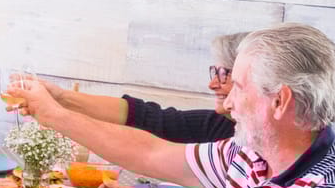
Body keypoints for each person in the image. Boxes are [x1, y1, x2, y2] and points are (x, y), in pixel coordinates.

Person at [10, 23, 335, 188]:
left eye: (237, 86)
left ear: (279, 101)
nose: (227, 103)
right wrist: (54, 114)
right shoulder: (248, 155)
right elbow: (149, 152)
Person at [36, 32, 247, 144]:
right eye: (214, 72)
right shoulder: (220, 124)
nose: (212, 84)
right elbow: (150, 118)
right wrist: (61, 97)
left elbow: (148, 154)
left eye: (224, 74)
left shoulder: (246, 143)